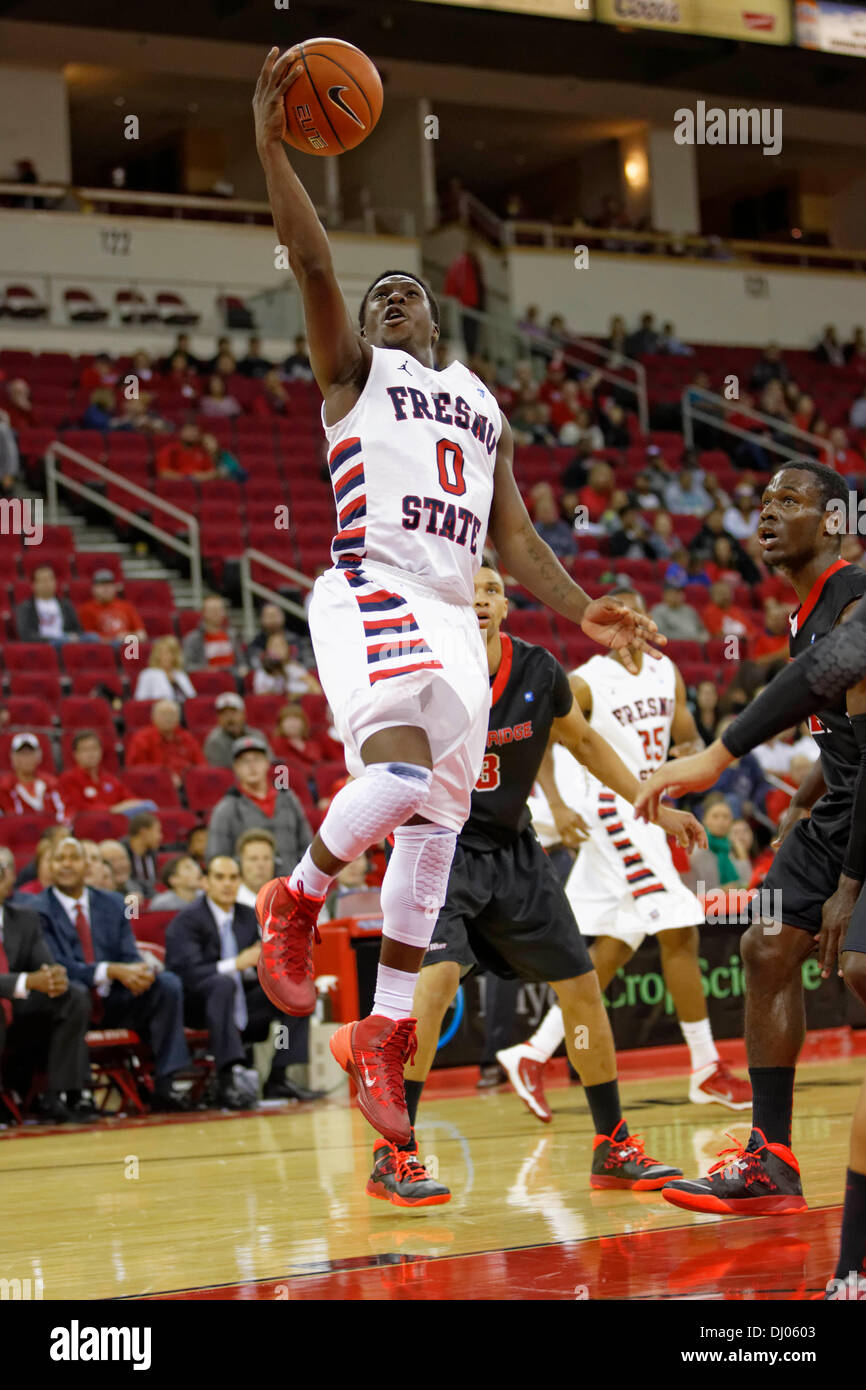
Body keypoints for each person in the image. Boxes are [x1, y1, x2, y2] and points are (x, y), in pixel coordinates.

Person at [250, 47, 668, 1148]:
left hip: (445, 603)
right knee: (391, 776)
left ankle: (383, 1033)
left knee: (431, 831)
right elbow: (306, 260)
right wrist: (268, 145)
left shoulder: (481, 405)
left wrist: (582, 610)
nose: (388, 301)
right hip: (369, 584)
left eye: (408, 295)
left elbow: (516, 536)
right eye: (377, 296)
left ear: (437, 325)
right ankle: (292, 897)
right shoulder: (352, 371)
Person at [371, 568, 699, 1204]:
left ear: (504, 605)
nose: (480, 598)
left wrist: (651, 801)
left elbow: (582, 742)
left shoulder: (539, 670)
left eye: (491, 589)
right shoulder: (421, 674)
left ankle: (613, 1145)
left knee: (581, 986)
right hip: (439, 848)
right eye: (467, 591)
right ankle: (395, 1152)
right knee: (435, 986)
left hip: (516, 852)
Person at [634, 460, 866, 1223]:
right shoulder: (804, 611)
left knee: (859, 966)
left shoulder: (857, 592)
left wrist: (849, 886)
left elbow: (837, 672)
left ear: (835, 521)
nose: (766, 513)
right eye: (762, 501)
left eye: (790, 501)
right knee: (766, 946)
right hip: (839, 802)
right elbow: (840, 729)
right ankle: (773, 1158)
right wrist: (803, 799)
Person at [507, 586, 749, 1119]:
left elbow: (683, 733)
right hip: (610, 811)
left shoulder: (668, 672)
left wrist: (689, 757)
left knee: (618, 942)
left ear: (645, 622)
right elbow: (541, 736)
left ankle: (530, 1053)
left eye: (632, 619)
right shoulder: (586, 680)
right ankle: (707, 1067)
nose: (625, 630)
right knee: (680, 928)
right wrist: (555, 803)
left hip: (643, 808)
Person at [35, 837, 190, 1111]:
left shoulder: (113, 903)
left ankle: (166, 1084)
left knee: (166, 984)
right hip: (66, 1004)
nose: (66, 865)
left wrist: (139, 972)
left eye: (74, 858)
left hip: (114, 1001)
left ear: (87, 865)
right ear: (48, 866)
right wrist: (112, 970)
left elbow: (128, 955)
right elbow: (56, 966)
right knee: (76, 992)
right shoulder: (37, 909)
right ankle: (78, 1094)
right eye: (59, 859)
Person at [165, 856, 302, 1108]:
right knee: (222, 984)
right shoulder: (187, 920)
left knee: (294, 992)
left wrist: (266, 963)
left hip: (242, 1002)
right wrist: (236, 963)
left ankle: (278, 1077)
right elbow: (187, 974)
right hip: (196, 1007)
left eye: (233, 878)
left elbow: (255, 965)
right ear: (205, 882)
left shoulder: (248, 916)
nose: (227, 884)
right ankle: (227, 1080)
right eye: (219, 877)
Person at [0, 846, 93, 1125]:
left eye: (2, 872)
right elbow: (31, 979)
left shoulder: (24, 919)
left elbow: (45, 967)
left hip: (20, 1013)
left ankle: (59, 1094)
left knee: (72, 995)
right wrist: (28, 980)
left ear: (9, 879)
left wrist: (55, 977)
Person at [206, 735, 312, 873]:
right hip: (252, 889)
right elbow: (218, 858)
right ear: (236, 768)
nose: (252, 766)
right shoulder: (226, 808)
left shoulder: (289, 799)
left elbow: (307, 846)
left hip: (291, 884)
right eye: (244, 761)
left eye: (257, 759)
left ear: (267, 763)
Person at [57, 730, 150, 817]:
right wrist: (111, 810)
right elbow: (78, 809)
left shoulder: (110, 779)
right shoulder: (68, 779)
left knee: (148, 806)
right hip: (86, 827)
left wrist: (134, 805)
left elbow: (130, 798)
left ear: (101, 751)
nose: (91, 754)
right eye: (85, 750)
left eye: (94, 748)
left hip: (115, 826)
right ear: (76, 754)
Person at [125, 699, 205, 786]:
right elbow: (136, 770)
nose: (168, 718)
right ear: (153, 717)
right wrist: (165, 777)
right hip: (155, 786)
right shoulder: (142, 739)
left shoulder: (187, 738)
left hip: (189, 785)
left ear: (178, 718)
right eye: (163, 714)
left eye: (172, 714)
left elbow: (201, 765)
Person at [0, 733, 66, 820]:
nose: (27, 758)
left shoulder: (50, 782)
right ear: (13, 758)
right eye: (22, 754)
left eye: (30, 753)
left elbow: (62, 812)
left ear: (38, 756)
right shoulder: (5, 786)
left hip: (50, 830)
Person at [15, 566, 86, 646]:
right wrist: (50, 639)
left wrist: (74, 636)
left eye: (50, 579)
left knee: (92, 638)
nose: (47, 583)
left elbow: (78, 629)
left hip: (66, 639)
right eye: (43, 580)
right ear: (33, 585)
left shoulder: (66, 604)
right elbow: (26, 634)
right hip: (44, 642)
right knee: (59, 641)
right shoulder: (26, 607)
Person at [203, 693, 273, 769]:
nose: (229, 718)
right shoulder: (214, 742)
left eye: (233, 712)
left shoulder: (257, 736)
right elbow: (221, 774)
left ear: (243, 714)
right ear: (218, 718)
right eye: (224, 714)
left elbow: (270, 762)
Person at [77, 570, 146, 644]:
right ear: (94, 589)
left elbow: (142, 635)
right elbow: (89, 638)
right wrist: (114, 639)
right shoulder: (86, 609)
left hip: (127, 645)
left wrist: (126, 636)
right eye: (102, 585)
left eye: (109, 585)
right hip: (104, 648)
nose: (106, 589)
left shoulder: (126, 606)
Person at [182, 595, 245, 671]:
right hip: (208, 680)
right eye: (213, 610)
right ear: (203, 613)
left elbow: (241, 662)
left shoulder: (232, 635)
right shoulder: (192, 639)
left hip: (233, 678)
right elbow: (187, 666)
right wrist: (206, 670)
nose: (217, 613)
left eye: (220, 610)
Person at [251, 634, 322, 697]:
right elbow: (259, 694)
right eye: (274, 645)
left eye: (281, 645)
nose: (278, 649)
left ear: (288, 649)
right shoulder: (262, 672)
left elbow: (316, 689)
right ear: (267, 650)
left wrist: (298, 695)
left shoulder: (293, 668)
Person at [133, 636, 196, 702]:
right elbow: (140, 700)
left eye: (170, 653)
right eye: (162, 653)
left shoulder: (180, 674)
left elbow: (192, 697)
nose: (166, 657)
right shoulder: (148, 674)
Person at [234, 830, 278, 909]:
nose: (261, 865)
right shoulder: (230, 901)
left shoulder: (284, 901)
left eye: (266, 858)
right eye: (253, 859)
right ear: (240, 863)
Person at [270, 703, 322, 769]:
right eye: (288, 719)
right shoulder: (276, 744)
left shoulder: (313, 745)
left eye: (296, 719)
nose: (292, 723)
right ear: (280, 724)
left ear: (304, 723)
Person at [122, 813, 162, 895]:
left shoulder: (152, 852)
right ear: (143, 832)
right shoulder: (121, 852)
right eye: (157, 831)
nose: (160, 836)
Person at [246, 603, 290, 668]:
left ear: (283, 616)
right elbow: (254, 664)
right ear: (261, 619)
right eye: (268, 615)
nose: (272, 618)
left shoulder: (294, 639)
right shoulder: (256, 643)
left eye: (275, 615)